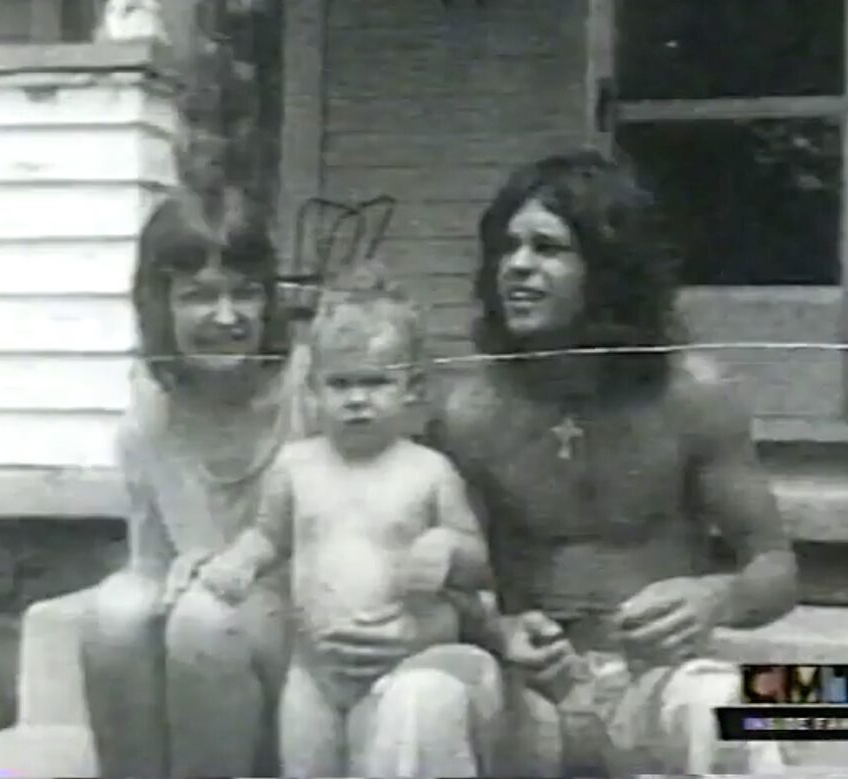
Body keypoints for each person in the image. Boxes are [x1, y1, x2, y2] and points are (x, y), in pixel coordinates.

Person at [424, 149, 799, 775]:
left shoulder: (693, 395)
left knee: (755, 704)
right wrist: (498, 632)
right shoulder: (471, 413)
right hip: (528, 697)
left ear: (607, 269)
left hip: (655, 684)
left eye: (546, 248)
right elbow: (453, 580)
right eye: (506, 248)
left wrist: (717, 597)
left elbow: (777, 567)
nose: (516, 267)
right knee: (422, 698)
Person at [200, 263, 494, 776]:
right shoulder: (297, 465)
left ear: (413, 388)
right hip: (313, 672)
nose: (357, 399)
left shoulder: (428, 471)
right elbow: (267, 536)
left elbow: (477, 559)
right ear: (313, 390)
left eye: (375, 382)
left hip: (396, 663)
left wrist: (447, 546)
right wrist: (239, 561)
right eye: (340, 383)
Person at [79, 194, 314, 778]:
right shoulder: (149, 416)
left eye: (245, 292)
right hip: (197, 635)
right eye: (198, 296)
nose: (227, 316)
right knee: (115, 611)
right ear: (160, 305)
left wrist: (235, 571)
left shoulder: (310, 391)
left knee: (205, 619)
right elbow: (151, 561)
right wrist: (181, 577)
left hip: (303, 629)